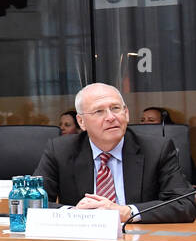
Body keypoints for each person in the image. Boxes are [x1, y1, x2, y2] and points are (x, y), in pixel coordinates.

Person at [34, 83, 194, 223]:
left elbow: (184, 204)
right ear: (81, 122)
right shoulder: (60, 150)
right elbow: (31, 202)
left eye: (115, 108)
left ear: (126, 114)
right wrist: (74, 215)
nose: (111, 117)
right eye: (99, 112)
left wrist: (126, 212)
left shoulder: (157, 149)